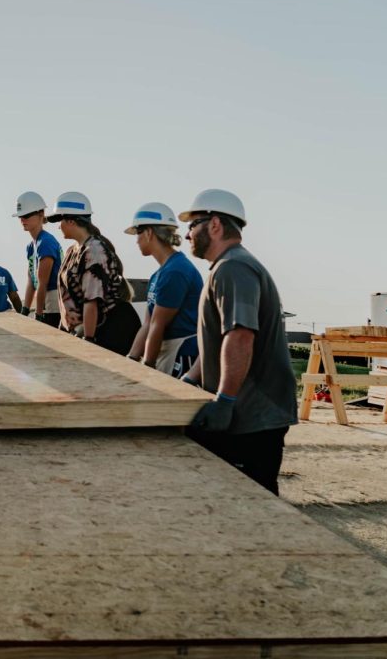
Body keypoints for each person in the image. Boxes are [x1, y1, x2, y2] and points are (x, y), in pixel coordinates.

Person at [180, 189, 297, 496]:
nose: (187, 234)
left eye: (193, 225)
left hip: (252, 417)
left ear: (215, 225)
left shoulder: (234, 268)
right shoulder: (226, 267)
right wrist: (191, 378)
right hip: (242, 412)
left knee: (254, 505)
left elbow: (240, 335)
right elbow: (218, 341)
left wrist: (225, 400)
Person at [49, 192, 140, 354]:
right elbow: (65, 300)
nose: (58, 226)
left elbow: (91, 301)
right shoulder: (72, 251)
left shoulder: (94, 251)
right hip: (87, 331)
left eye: (60, 220)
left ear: (70, 220)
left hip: (109, 332)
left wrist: (89, 341)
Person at [125, 202, 203, 376]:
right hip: (167, 351)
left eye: (138, 233)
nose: (136, 240)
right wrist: (130, 360)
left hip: (182, 353)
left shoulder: (176, 271)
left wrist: (147, 366)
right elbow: (148, 324)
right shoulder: (160, 274)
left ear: (149, 232)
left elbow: (157, 325)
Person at [14, 191, 62, 326]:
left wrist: (38, 314)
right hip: (45, 303)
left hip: (53, 306)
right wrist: (25, 310)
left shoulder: (46, 242)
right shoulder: (31, 246)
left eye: (27, 215)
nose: (22, 220)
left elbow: (43, 283)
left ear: (41, 213)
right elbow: (31, 281)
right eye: (20, 216)